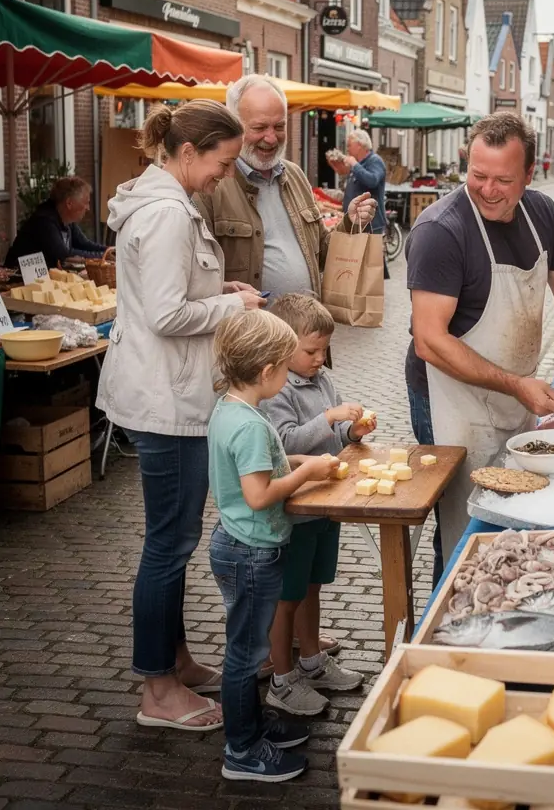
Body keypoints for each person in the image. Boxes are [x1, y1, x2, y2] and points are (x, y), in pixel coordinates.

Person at [96, 101, 264, 734]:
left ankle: (176, 658)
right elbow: (167, 317)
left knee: (171, 540)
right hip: (167, 402)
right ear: (188, 153)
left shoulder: (165, 205)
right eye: (223, 162)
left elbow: (161, 297)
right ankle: (157, 690)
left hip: (166, 393)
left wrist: (219, 293)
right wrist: (232, 311)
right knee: (170, 545)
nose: (227, 173)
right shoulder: (168, 215)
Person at [405, 112, 554, 580]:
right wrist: (514, 384)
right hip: (449, 397)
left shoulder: (541, 212)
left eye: (503, 179)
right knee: (463, 517)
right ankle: (449, 605)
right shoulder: (440, 231)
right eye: (478, 175)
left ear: (530, 173)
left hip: (514, 391)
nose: (488, 189)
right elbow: (429, 340)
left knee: (516, 509)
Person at [207, 310, 339, 781]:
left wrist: (298, 460)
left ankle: (256, 726)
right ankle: (241, 752)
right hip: (250, 553)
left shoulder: (231, 409)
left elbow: (264, 466)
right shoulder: (249, 425)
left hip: (242, 546)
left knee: (246, 646)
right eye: (285, 367)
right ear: (267, 373)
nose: (288, 376)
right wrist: (303, 474)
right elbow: (259, 494)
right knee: (244, 656)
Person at [260, 293, 371, 716]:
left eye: (324, 349)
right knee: (287, 595)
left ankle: (311, 659)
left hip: (326, 501)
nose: (320, 359)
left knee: (312, 585)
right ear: (282, 348)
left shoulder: (322, 379)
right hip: (295, 510)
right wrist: (328, 420)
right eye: (311, 350)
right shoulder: (276, 390)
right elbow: (285, 444)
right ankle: (282, 679)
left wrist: (350, 433)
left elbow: (331, 439)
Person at [193, 74, 376, 304]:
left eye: (279, 126)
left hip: (308, 335)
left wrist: (349, 222)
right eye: (259, 127)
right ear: (234, 125)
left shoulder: (295, 175)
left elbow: (322, 253)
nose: (271, 138)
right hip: (252, 337)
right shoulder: (212, 185)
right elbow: (197, 282)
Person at [5, 176, 111, 270]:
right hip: (18, 280)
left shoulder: (67, 220)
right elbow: (64, 255)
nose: (87, 208)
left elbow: (84, 244)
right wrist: (103, 256)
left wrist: (109, 251)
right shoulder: (44, 221)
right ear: (69, 203)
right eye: (86, 202)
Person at [328, 128, 389, 280]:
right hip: (357, 221)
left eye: (349, 145)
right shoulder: (360, 164)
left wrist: (355, 165)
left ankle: (370, 297)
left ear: (360, 145)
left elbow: (372, 180)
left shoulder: (375, 161)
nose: (347, 149)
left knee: (370, 265)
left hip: (370, 223)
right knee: (358, 263)